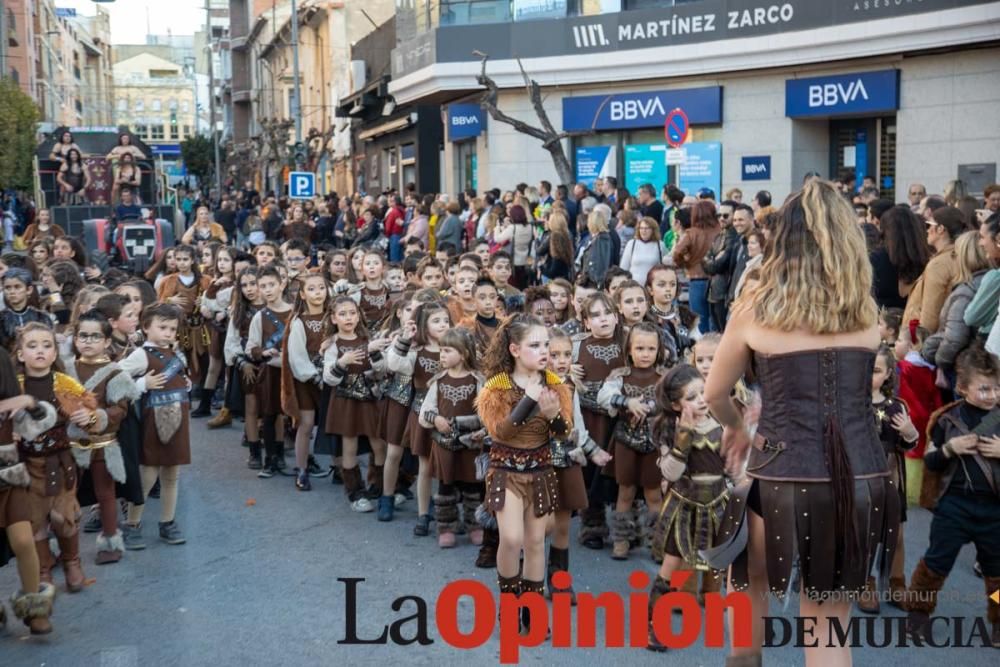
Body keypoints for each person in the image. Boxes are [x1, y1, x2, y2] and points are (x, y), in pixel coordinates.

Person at [704, 179, 898, 666]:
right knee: (830, 621)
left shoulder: (756, 310)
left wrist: (739, 428)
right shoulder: (867, 311)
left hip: (780, 470)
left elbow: (714, 394)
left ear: (782, 239)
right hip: (864, 474)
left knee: (748, 580)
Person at [476, 313, 572, 633]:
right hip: (506, 470)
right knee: (512, 538)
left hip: (541, 469)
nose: (544, 351)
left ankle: (532, 612)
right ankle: (509, 603)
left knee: (534, 543)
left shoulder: (556, 385)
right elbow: (500, 432)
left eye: (546, 344)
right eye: (535, 345)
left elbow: (563, 434)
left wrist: (554, 416)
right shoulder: (497, 387)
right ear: (515, 350)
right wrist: (528, 400)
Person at [907, 344, 1000, 648]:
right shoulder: (947, 419)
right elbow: (931, 462)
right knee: (935, 564)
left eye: (997, 388)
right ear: (962, 387)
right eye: (984, 388)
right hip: (954, 506)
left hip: (994, 510)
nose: (992, 395)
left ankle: (998, 624)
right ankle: (918, 617)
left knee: (998, 574)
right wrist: (950, 449)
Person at [66, 309, 141, 565]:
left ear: (107, 341)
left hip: (103, 444)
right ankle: (63, 547)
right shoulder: (64, 369)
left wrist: (96, 416)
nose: (88, 341)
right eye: (83, 336)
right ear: (75, 339)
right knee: (64, 497)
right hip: (68, 446)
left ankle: (110, 540)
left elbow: (121, 409)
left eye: (95, 337)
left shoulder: (114, 373)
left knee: (105, 494)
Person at [119, 304, 191, 549]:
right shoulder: (141, 354)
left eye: (172, 328)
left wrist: (186, 384)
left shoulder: (176, 354)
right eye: (162, 327)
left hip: (178, 421)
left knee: (172, 474)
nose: (168, 333)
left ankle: (167, 522)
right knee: (147, 476)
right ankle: (132, 524)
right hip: (152, 422)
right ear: (146, 327)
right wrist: (142, 383)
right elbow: (116, 377)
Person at [0, 344, 58, 634]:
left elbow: (38, 424)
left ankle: (35, 608)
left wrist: (29, 403)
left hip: (7, 474)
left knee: (23, 541)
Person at [857, 345, 918, 614]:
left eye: (877, 370)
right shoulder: (850, 406)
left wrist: (909, 432)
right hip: (860, 479)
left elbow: (907, 446)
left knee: (897, 534)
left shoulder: (896, 406)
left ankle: (896, 583)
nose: (871, 375)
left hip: (892, 479)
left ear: (888, 374)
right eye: (867, 369)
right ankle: (865, 582)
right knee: (865, 533)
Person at [598, 322, 666, 560]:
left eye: (650, 348)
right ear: (629, 350)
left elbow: (676, 400)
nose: (645, 354)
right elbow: (603, 395)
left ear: (659, 350)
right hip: (626, 442)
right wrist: (627, 402)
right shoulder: (620, 376)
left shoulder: (664, 377)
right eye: (639, 348)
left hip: (654, 445)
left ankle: (658, 543)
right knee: (625, 492)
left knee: (654, 495)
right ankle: (621, 539)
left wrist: (656, 407)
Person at [417, 328, 484, 548]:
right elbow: (425, 412)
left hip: (470, 444)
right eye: (441, 350)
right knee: (446, 486)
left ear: (463, 354)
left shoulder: (477, 381)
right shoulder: (438, 381)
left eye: (447, 350)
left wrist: (479, 429)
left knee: (472, 486)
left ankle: (475, 525)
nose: (441, 355)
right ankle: (446, 527)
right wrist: (435, 419)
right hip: (445, 445)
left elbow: (486, 414)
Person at [387, 302, 451, 532]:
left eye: (445, 320)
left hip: (450, 414)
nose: (443, 324)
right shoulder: (416, 350)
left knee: (449, 468)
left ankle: (448, 514)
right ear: (424, 325)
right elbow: (394, 364)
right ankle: (423, 513)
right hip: (423, 413)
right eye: (436, 321)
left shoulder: (455, 347)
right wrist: (404, 338)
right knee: (425, 466)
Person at [323, 296, 389, 511]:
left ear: (359, 314)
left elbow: (381, 370)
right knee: (349, 446)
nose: (348, 317)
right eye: (342, 314)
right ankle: (355, 493)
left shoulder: (366, 340)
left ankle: (379, 487)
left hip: (369, 400)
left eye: (352, 313)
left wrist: (375, 352)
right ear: (333, 318)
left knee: (378, 444)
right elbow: (329, 378)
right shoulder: (333, 345)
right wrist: (342, 362)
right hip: (345, 401)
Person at [281, 273, 330, 492]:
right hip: (307, 379)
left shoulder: (333, 317)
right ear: (302, 294)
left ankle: (341, 467)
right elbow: (297, 356)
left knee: (334, 423)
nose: (318, 292)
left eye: (321, 288)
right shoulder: (299, 321)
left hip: (332, 376)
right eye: (312, 289)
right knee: (307, 424)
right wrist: (314, 376)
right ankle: (302, 469)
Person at [244, 266, 292, 478]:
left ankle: (293, 458)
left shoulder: (294, 312)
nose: (268, 290)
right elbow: (251, 347)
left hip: (292, 372)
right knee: (270, 415)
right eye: (262, 286)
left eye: (271, 284)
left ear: (281, 284)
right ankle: (270, 459)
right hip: (270, 372)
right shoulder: (260, 316)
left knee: (292, 415)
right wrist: (263, 352)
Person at [672, 200, 719, 333]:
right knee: (717, 321)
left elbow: (677, 252)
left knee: (700, 321)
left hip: (696, 279)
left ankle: (703, 349)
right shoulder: (720, 232)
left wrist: (685, 262)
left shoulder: (692, 233)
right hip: (718, 280)